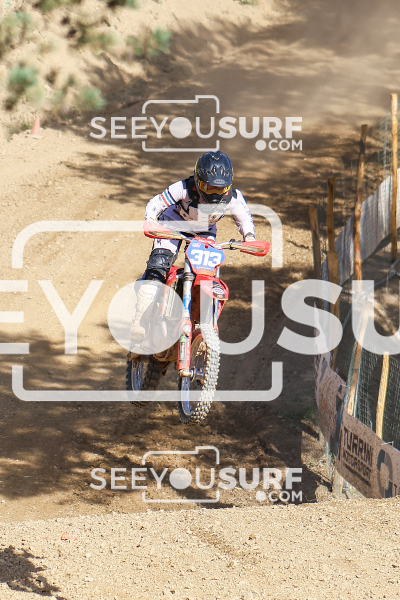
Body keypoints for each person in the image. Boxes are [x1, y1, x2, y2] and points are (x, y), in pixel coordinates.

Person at [130, 150, 256, 343]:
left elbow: (245, 219)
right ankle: (140, 320)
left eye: (220, 189)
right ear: (198, 181)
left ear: (228, 185)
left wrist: (249, 237)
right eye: (209, 187)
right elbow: (157, 202)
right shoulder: (183, 188)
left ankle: (203, 319)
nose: (215, 193)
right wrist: (151, 221)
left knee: (207, 274)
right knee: (159, 264)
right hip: (172, 224)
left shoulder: (233, 197)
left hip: (204, 232)